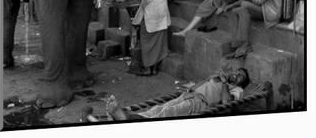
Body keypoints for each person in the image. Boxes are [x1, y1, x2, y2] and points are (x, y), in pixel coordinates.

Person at [104, 68, 250, 120]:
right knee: (157, 109)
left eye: (240, 76)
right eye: (237, 72)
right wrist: (210, 78)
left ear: (240, 83)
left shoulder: (237, 90)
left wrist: (224, 83)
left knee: (168, 112)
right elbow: (199, 85)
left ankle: (125, 116)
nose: (236, 75)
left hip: (199, 103)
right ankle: (125, 116)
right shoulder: (220, 78)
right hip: (189, 95)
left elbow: (226, 103)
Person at [115, 0, 173, 76]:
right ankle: (154, 69)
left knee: (146, 39)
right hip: (162, 10)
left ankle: (147, 69)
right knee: (158, 40)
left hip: (151, 12)